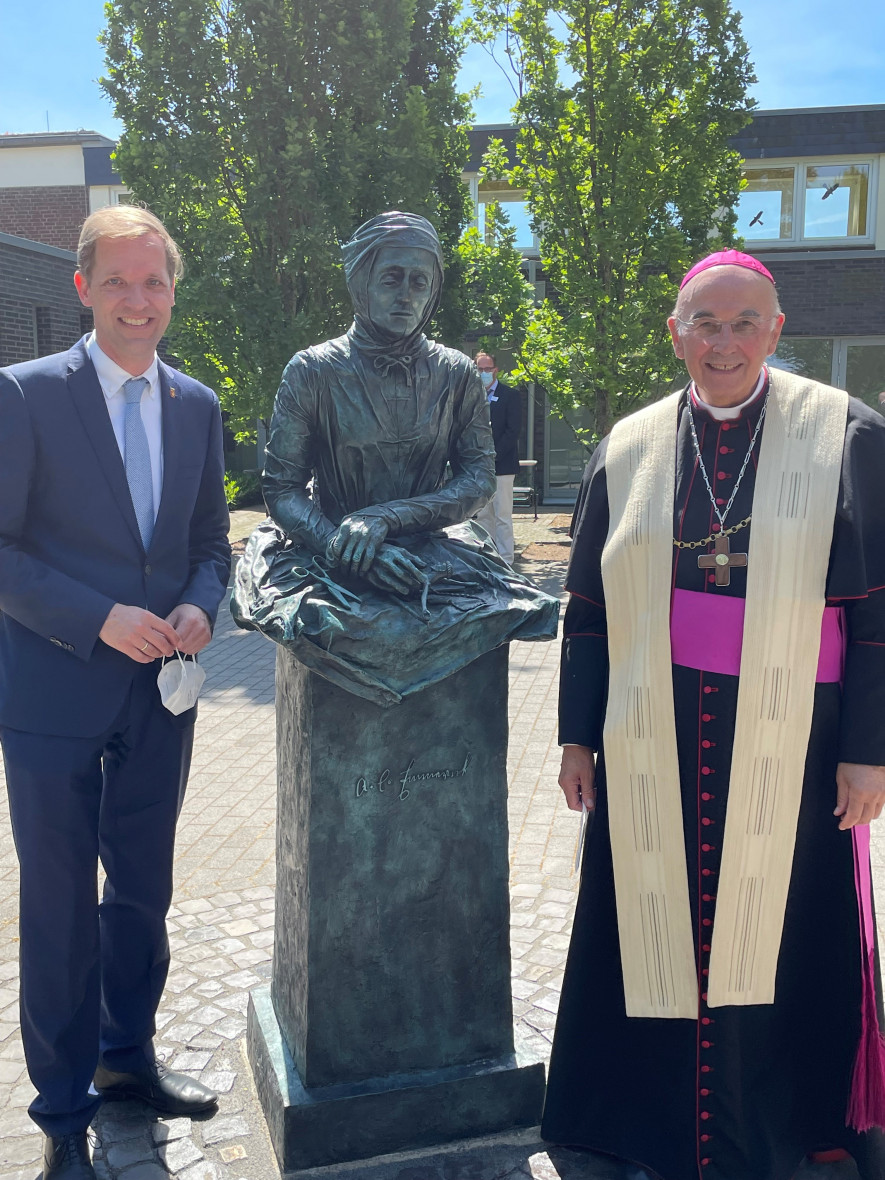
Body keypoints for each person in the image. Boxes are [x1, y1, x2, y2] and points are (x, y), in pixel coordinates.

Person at [542, 249, 885, 1180]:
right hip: (650, 733)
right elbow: (588, 610)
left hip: (797, 742)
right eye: (705, 323)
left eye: (743, 324)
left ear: (776, 330)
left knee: (781, 936)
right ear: (675, 333)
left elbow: (877, 616)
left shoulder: (846, 432)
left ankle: (778, 1132)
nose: (722, 343)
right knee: (643, 923)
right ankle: (644, 1127)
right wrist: (576, 732)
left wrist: (867, 751)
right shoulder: (631, 442)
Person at [0, 206, 231, 1179]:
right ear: (84, 289)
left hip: (158, 704)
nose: (140, 301)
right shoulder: (23, 396)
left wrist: (201, 608)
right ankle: (61, 1115)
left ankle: (126, 1060)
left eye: (156, 283)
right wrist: (95, 616)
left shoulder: (198, 406)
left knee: (142, 896)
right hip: (54, 698)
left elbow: (213, 545)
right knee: (59, 906)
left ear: (172, 292)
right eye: (121, 282)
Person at [232, 212, 558, 704]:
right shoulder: (313, 371)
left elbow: (477, 479)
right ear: (361, 282)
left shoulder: (457, 374)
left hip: (432, 548)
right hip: (329, 551)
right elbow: (282, 490)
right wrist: (348, 548)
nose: (406, 294)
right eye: (391, 278)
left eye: (420, 281)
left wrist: (386, 518)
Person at [473, 351, 521, 565]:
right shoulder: (471, 396)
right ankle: (488, 559)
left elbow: (513, 432)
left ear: (496, 370)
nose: (484, 373)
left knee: (502, 515)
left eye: (488, 368)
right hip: (478, 467)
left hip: (502, 466)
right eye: (480, 369)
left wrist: (493, 456)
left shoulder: (510, 396)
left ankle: (506, 561)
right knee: (483, 516)